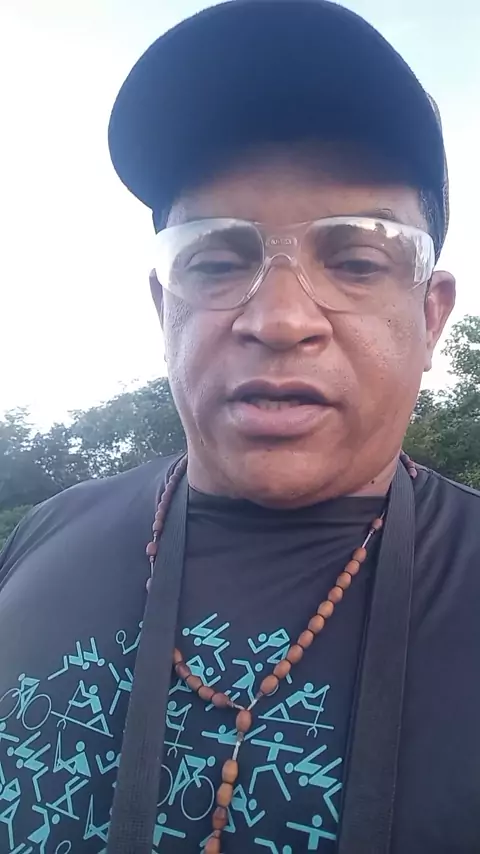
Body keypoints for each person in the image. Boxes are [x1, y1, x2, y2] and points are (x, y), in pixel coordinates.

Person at [1, 1, 479, 852]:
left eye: (356, 259)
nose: (280, 319)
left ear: (431, 315)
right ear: (164, 308)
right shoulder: (45, 533)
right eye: (218, 260)